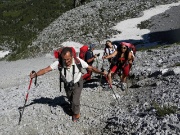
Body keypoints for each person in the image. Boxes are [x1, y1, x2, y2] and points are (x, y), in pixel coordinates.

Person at [30, 47, 106, 122]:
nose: (66, 61)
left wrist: (100, 73)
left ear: (72, 56)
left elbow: (90, 68)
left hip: (78, 82)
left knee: (75, 100)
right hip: (67, 84)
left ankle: (76, 114)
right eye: (64, 59)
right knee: (70, 98)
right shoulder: (59, 63)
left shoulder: (78, 61)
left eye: (68, 59)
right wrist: (36, 74)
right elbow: (46, 69)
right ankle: (72, 106)